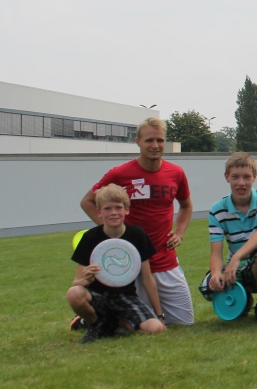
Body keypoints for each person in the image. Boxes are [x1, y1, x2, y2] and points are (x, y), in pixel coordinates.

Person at [79, 117, 194, 326]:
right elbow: (87, 201)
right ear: (138, 142)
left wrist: (179, 233)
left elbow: (186, 206)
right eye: (149, 140)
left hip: (166, 260)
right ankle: (87, 319)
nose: (155, 145)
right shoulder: (120, 173)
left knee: (185, 322)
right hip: (131, 264)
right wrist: (111, 234)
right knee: (131, 325)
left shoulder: (176, 173)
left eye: (160, 140)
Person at [68, 184, 167, 344]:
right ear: (99, 212)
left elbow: (147, 278)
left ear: (126, 210)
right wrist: (86, 279)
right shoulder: (90, 238)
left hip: (125, 297)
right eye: (107, 209)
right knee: (74, 293)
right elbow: (76, 283)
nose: (113, 213)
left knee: (155, 328)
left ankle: (113, 322)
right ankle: (94, 323)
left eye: (118, 208)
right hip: (97, 296)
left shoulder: (137, 234)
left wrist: (160, 316)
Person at [198, 153, 257, 322]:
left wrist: (237, 256)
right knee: (208, 287)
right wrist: (216, 273)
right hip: (239, 269)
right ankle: (244, 299)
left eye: (247, 177)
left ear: (254, 177)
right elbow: (215, 253)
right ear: (227, 177)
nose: (241, 183)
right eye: (235, 177)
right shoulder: (217, 210)